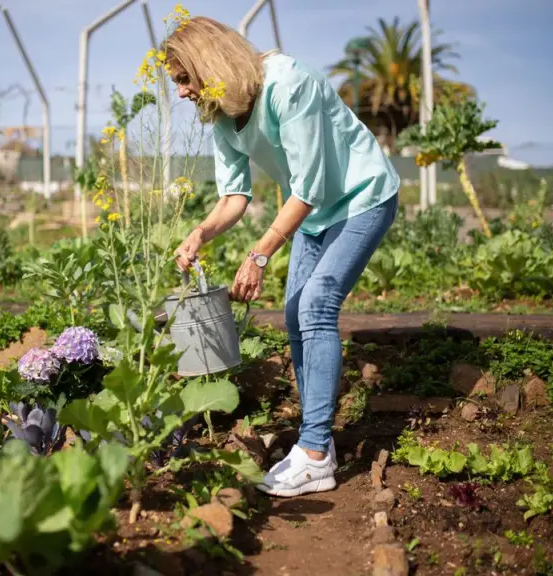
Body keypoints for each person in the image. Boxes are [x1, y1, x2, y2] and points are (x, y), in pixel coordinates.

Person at [168, 16, 400, 498]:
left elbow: (310, 186)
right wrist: (201, 232)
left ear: (207, 64)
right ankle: (318, 444)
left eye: (184, 79)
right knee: (295, 314)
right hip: (313, 215)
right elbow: (234, 195)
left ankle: (315, 453)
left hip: (361, 198)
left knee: (316, 307)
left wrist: (259, 254)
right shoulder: (222, 113)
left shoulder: (288, 84)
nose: (182, 93)